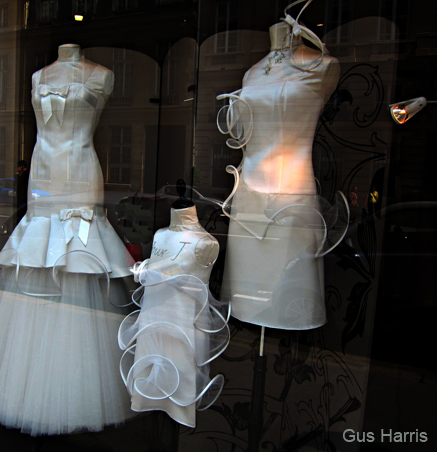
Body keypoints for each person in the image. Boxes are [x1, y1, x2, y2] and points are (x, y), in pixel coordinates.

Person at [0, 44, 135, 436]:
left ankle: (71, 385)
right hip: (43, 176)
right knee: (35, 265)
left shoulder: (101, 74)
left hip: (82, 174)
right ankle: (28, 382)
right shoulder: (38, 77)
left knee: (76, 264)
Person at [216, 0, 348, 329]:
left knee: (286, 294)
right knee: (247, 300)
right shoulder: (251, 72)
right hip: (246, 201)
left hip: (291, 196)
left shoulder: (322, 65)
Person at [118, 205, 230, 427]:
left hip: (182, 324)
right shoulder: (160, 235)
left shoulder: (206, 242)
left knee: (179, 373)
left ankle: (178, 412)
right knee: (150, 368)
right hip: (152, 318)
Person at [16, 159, 29, 223]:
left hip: (23, 198)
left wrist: (17, 173)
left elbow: (18, 184)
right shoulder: (26, 174)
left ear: (21, 166)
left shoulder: (25, 175)